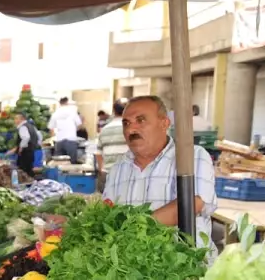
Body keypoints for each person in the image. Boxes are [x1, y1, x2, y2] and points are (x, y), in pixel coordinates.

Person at [102, 95, 216, 249]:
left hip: (185, 267)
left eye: (140, 120)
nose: (131, 129)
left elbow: (193, 203)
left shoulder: (191, 156)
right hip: (131, 269)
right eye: (126, 123)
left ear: (164, 123)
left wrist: (131, 230)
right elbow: (107, 213)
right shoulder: (117, 169)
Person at [96, 99, 128, 191]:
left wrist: (102, 169)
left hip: (108, 173)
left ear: (114, 111)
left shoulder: (105, 129)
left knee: (109, 204)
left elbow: (98, 153)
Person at [50, 97, 83, 164]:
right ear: (67, 102)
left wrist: (54, 137)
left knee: (58, 163)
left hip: (59, 141)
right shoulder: (72, 112)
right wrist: (73, 130)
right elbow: (80, 125)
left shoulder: (55, 114)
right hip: (71, 140)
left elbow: (51, 128)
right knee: (72, 162)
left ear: (60, 103)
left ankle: (60, 174)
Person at [8, 111, 40, 176]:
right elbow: (39, 136)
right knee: (29, 169)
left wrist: (21, 148)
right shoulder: (31, 126)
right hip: (31, 151)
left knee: (23, 170)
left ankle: (26, 184)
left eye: (16, 118)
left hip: (25, 152)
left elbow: (26, 138)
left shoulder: (23, 127)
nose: (15, 120)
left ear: (21, 119)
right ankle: (31, 183)